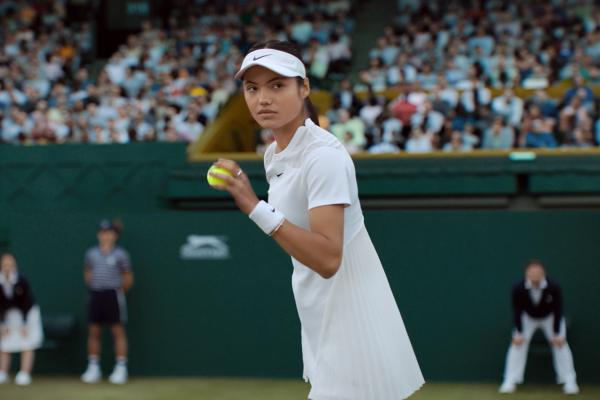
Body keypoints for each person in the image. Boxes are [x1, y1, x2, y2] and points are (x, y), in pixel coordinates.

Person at [209, 40, 424, 400]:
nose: (263, 99)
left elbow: (327, 259)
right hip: (322, 326)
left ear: (304, 88)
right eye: (252, 88)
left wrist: (254, 206)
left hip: (354, 331)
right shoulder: (276, 154)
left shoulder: (323, 157)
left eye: (277, 85)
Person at [499, 260, 579, 395]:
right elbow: (517, 311)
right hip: (527, 318)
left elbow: (558, 309)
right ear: (526, 274)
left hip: (550, 317)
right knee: (517, 345)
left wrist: (557, 333)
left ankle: (570, 382)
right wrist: (518, 333)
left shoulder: (554, 287)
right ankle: (509, 381)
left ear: (543, 273)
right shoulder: (518, 288)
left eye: (538, 272)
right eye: (532, 272)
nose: (535, 275)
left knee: (561, 345)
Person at [81, 220, 133, 384]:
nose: (106, 236)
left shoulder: (121, 254)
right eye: (103, 232)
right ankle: (93, 368)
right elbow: (88, 274)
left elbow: (128, 278)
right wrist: (96, 287)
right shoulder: (91, 253)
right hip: (96, 294)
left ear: (115, 236)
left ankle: (120, 368)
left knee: (117, 331)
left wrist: (116, 291)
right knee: (94, 331)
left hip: (113, 295)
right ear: (99, 235)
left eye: (109, 232)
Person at [0, 252, 44, 386]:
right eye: (5, 265)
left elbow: (25, 303)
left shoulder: (21, 280)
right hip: (9, 315)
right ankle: (2, 373)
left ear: (15, 266)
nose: (8, 267)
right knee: (4, 342)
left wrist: (25, 324)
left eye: (10, 265)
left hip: (28, 313)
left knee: (27, 341)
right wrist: (2, 324)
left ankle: (24, 374)